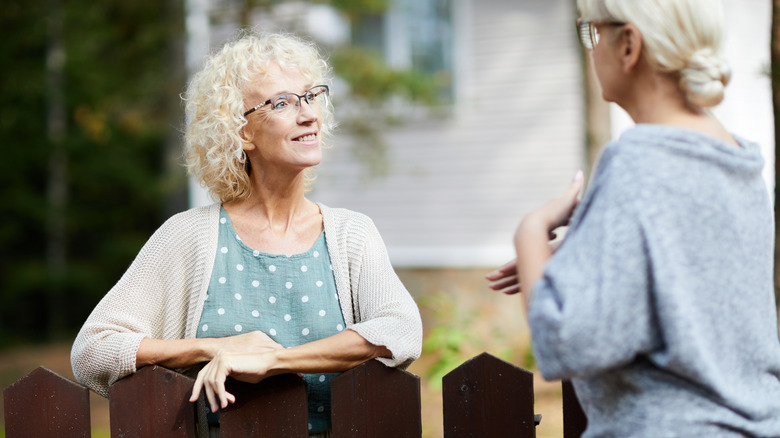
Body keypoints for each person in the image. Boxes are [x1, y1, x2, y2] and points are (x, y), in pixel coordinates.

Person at [71, 31, 422, 438]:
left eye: (310, 97)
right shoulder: (188, 236)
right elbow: (92, 350)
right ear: (241, 133)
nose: (308, 114)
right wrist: (214, 348)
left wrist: (276, 361)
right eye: (282, 103)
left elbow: (400, 330)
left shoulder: (351, 233)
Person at [487, 0, 780, 436]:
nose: (592, 47)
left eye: (593, 31)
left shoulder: (637, 161)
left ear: (629, 44)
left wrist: (530, 233)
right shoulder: (737, 160)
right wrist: (584, 243)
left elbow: (564, 346)